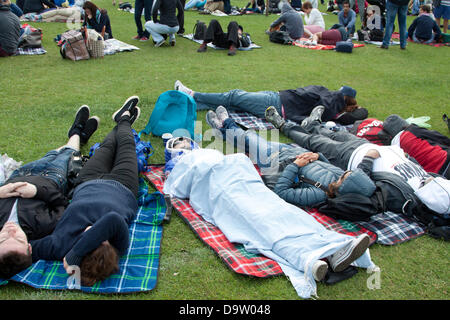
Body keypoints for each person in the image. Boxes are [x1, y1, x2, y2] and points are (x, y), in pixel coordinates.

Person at [163, 130, 374, 299]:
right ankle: (307, 261)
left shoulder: (211, 153)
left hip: (244, 179)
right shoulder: (181, 166)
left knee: (286, 213)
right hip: (224, 192)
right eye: (179, 145)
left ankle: (336, 250)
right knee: (260, 222)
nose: (183, 145)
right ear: (174, 154)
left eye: (184, 143)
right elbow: (178, 187)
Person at [30, 96, 142, 287]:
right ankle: (123, 119)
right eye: (101, 237)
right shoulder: (119, 246)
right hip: (124, 186)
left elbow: (24, 249)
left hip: (89, 181)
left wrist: (74, 251)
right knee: (126, 145)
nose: (96, 230)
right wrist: (77, 253)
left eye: (92, 237)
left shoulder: (58, 246)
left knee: (107, 147)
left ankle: (121, 121)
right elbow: (112, 219)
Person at [264, 107, 450, 221]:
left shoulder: (404, 196)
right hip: (363, 145)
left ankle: (283, 126)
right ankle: (313, 123)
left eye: (431, 184)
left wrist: (368, 159)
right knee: (330, 134)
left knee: (313, 142)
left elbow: (367, 184)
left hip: (351, 158)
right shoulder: (428, 177)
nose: (431, 180)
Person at [205, 105, 377, 209]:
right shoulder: (339, 178)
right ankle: (222, 130)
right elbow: (325, 164)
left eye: (343, 177)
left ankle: (226, 123)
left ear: (345, 188)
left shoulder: (318, 194)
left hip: (276, 161)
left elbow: (282, 192)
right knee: (250, 142)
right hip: (290, 152)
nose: (341, 174)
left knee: (251, 138)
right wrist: (318, 156)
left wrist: (295, 165)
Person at [0, 106, 99, 279]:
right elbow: (63, 203)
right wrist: (36, 191)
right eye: (18, 239)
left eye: (1, 239)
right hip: (52, 178)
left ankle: (77, 137)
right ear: (29, 247)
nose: (10, 232)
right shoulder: (42, 226)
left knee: (52, 153)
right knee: (67, 153)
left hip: (21, 173)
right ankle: (76, 133)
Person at [174, 80, 365, 126]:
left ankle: (191, 93)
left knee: (234, 96)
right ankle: (190, 102)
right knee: (235, 104)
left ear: (342, 96)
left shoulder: (329, 99)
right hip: (277, 99)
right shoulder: (332, 108)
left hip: (276, 103)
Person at [353, 114, 450, 179]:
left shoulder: (393, 150)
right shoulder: (411, 131)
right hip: (445, 160)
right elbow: (441, 138)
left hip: (436, 175)